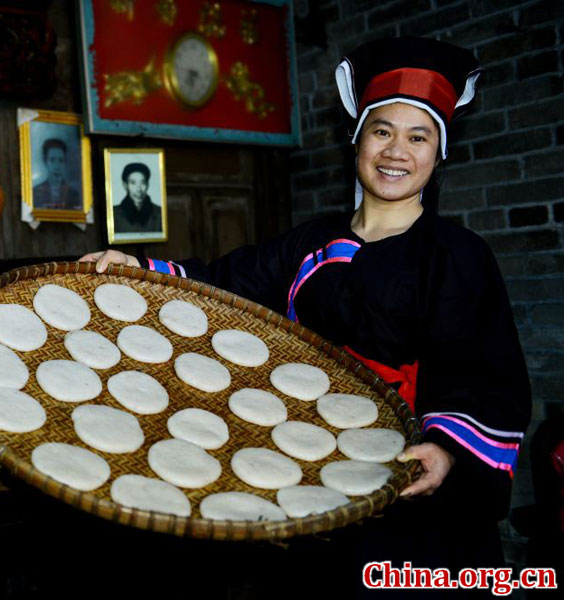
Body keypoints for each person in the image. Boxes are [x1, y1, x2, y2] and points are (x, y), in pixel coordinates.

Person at [82, 37, 531, 595]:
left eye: (418, 137)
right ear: (357, 139)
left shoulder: (459, 254)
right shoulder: (312, 243)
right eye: (382, 131)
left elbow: (489, 375)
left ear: (438, 153)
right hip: (311, 479)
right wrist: (138, 269)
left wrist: (446, 450)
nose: (396, 151)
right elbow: (222, 285)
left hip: (409, 493)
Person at [112, 162, 162, 234]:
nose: (139, 189)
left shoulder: (159, 213)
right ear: (125, 185)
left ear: (147, 185)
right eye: (133, 183)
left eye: (143, 183)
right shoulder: (114, 215)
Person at [32, 137, 81, 210]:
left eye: (61, 160)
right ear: (45, 162)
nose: (57, 166)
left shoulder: (73, 194)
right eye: (52, 160)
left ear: (65, 163)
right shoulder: (35, 193)